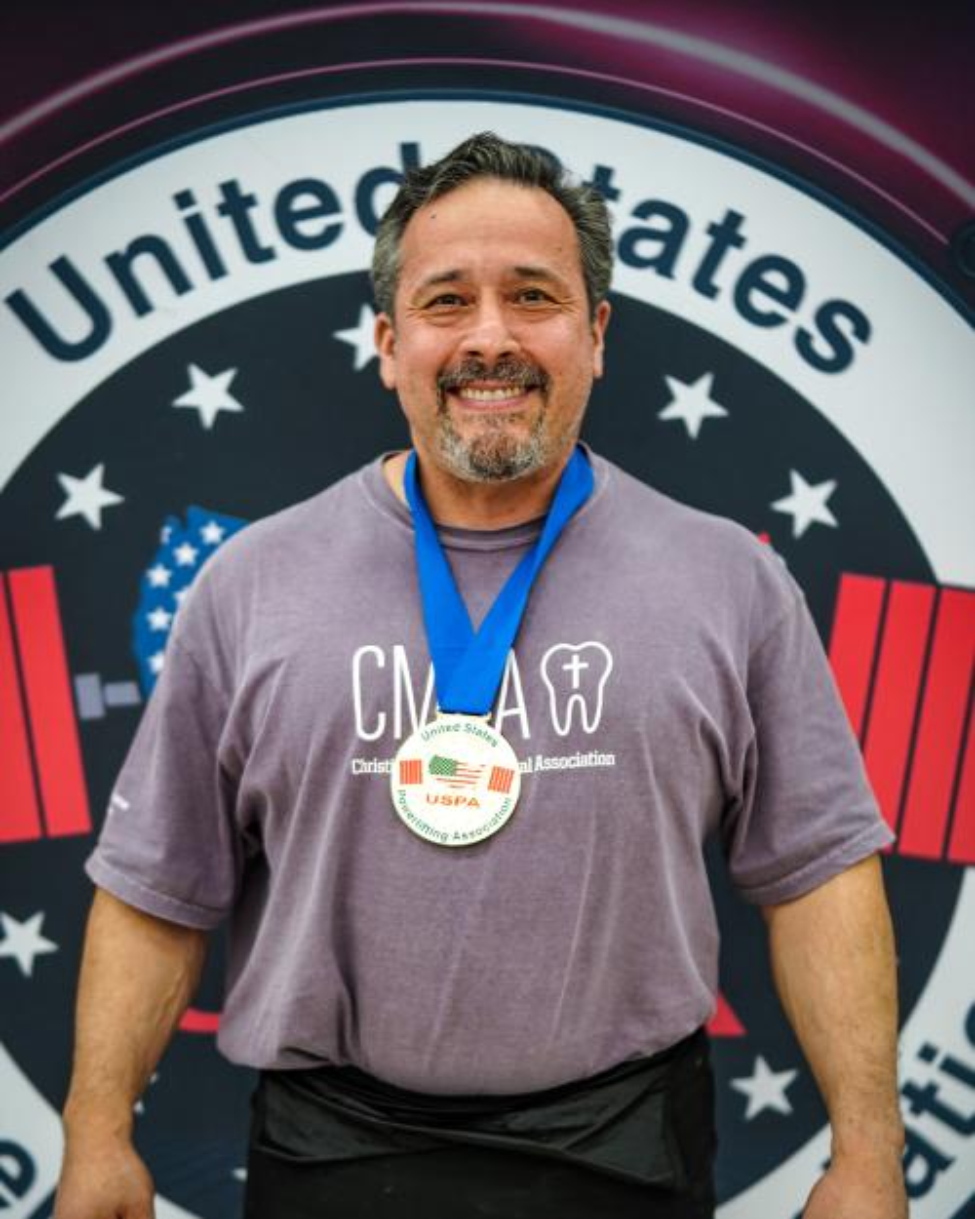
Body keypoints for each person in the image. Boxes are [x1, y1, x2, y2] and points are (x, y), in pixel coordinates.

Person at [55, 133, 907, 1219]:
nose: (491, 338)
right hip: (331, 1156)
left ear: (597, 335)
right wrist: (95, 1134)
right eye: (447, 301)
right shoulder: (250, 582)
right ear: (388, 339)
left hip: (624, 1149)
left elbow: (820, 873)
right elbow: (155, 888)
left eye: (535, 296)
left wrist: (870, 1156)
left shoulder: (728, 578)